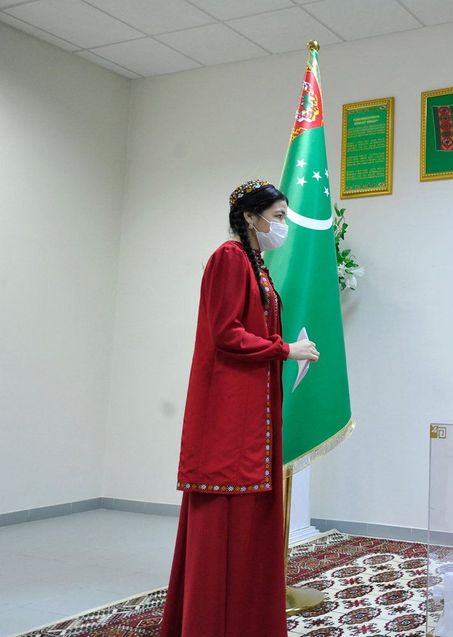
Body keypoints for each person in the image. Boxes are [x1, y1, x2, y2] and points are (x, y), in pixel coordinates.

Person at [159, 180, 320, 637]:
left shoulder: (258, 266)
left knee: (253, 520)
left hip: (255, 408)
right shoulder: (228, 258)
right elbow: (226, 334)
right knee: (227, 516)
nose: (283, 226)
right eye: (279, 216)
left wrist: (286, 350)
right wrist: (285, 349)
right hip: (230, 411)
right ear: (251, 217)